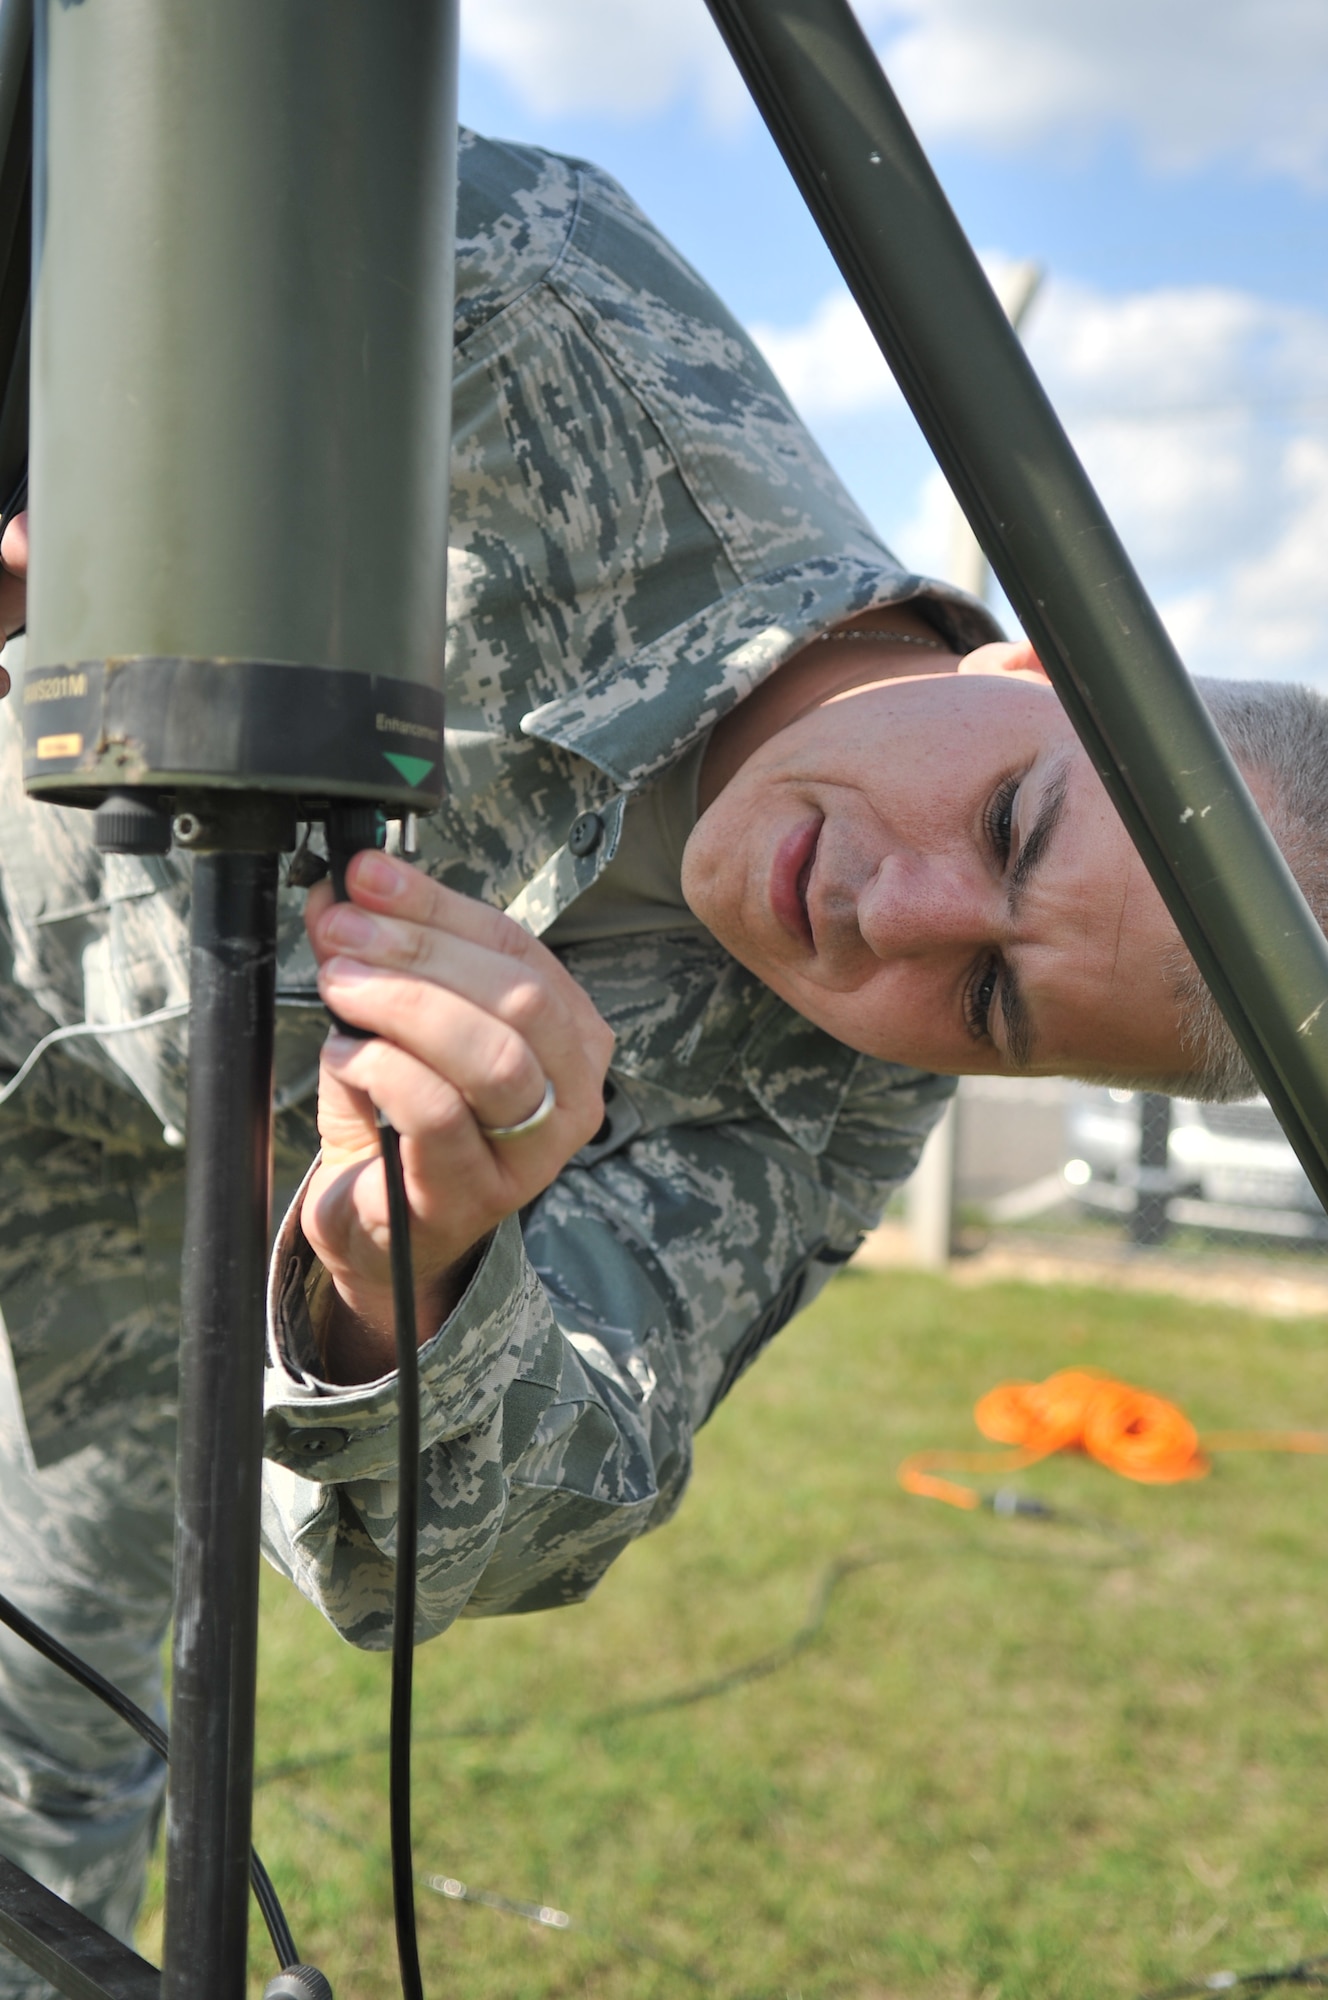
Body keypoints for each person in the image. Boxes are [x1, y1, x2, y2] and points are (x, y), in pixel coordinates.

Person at [0, 125, 1318, 1990]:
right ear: (1034, 673)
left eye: (998, 1005)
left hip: (117, 1283)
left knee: (43, 1829)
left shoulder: (834, 1097)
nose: (900, 918)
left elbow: (520, 1509)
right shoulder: (542, 317)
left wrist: (420, 1276)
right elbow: (113, 155)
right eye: (1015, 827)